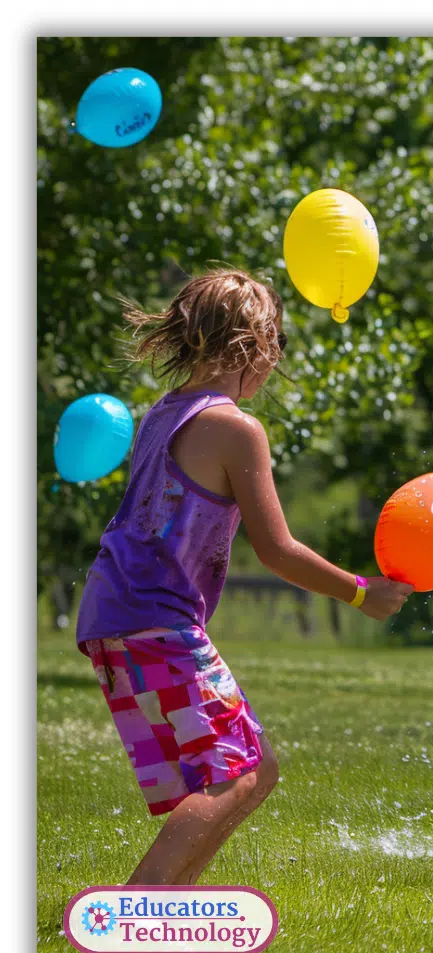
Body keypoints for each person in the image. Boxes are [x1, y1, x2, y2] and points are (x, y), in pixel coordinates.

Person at [75, 268, 414, 885]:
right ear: (255, 345)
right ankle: (137, 905)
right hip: (156, 615)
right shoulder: (236, 429)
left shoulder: (161, 415)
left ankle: (169, 897)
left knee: (252, 770)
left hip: (111, 612)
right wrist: (360, 592)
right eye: (276, 341)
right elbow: (277, 549)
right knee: (239, 773)